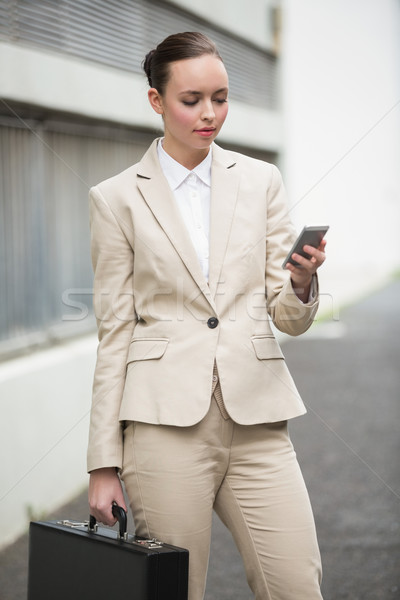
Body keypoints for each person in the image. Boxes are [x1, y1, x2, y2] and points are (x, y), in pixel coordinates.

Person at [88, 32, 326, 600]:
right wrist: (102, 463)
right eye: (191, 99)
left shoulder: (261, 179)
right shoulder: (115, 198)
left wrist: (300, 281)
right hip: (162, 428)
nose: (210, 113)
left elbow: (287, 318)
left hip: (258, 420)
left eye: (220, 97)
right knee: (175, 590)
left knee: (297, 584)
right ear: (156, 101)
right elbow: (114, 331)